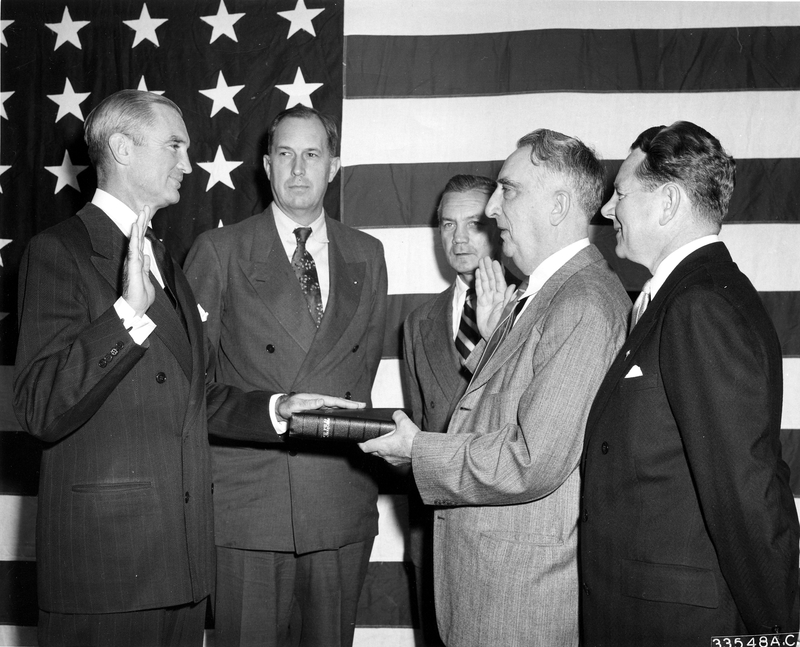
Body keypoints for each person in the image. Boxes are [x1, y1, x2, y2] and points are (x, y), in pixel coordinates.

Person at [12, 90, 359, 647]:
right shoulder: (61, 251)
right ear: (122, 149)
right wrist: (126, 316)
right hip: (107, 570)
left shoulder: (163, 257)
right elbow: (36, 407)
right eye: (174, 145)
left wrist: (275, 409)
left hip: (181, 564)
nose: (187, 162)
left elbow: (194, 397)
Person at [361, 129, 630, 647]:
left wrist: (419, 449)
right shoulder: (544, 294)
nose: (491, 206)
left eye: (508, 189)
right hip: (493, 588)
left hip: (521, 601)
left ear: (558, 205)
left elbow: (532, 457)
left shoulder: (583, 302)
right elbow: (504, 409)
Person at [579, 121, 800, 645]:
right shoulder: (682, 297)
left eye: (621, 193)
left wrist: (781, 633)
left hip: (677, 625)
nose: (608, 210)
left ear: (669, 202)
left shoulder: (699, 306)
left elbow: (744, 490)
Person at [183, 105, 388, 647]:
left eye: (312, 155)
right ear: (266, 165)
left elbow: (359, 379)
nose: (299, 169)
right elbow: (190, 391)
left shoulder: (368, 254)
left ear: (334, 166)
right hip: (250, 505)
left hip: (338, 500)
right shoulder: (219, 252)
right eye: (285, 155)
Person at [402, 174, 501, 644]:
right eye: (447, 225)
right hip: (436, 538)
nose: (459, 238)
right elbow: (422, 430)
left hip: (503, 540)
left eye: (474, 224)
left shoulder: (536, 307)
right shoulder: (419, 322)